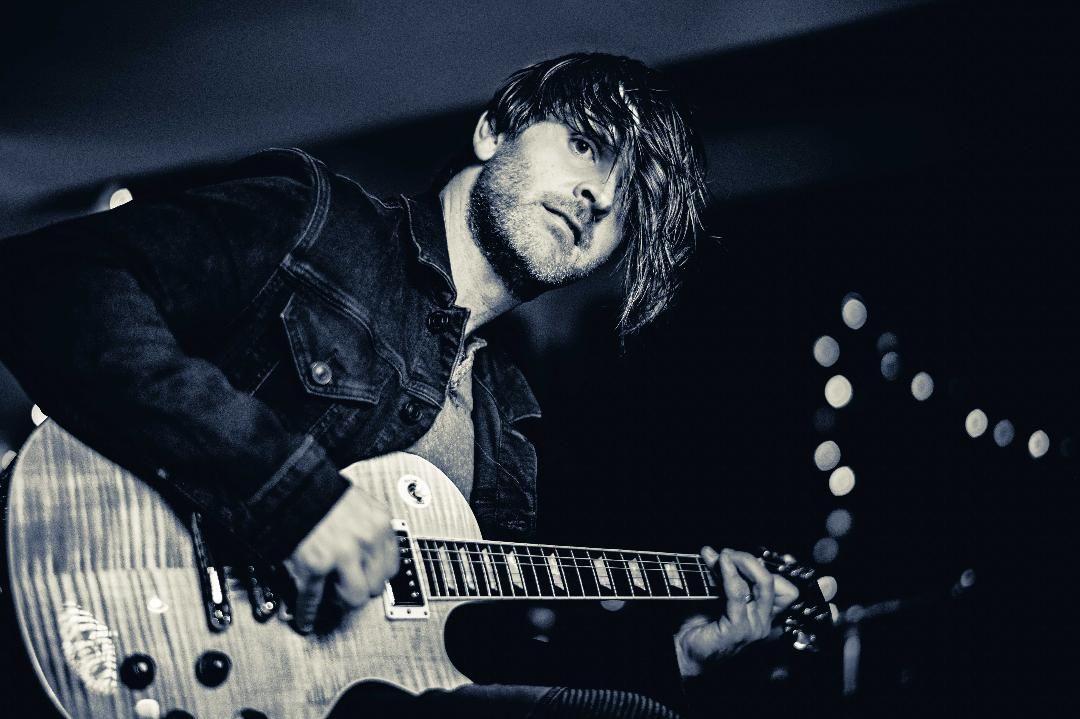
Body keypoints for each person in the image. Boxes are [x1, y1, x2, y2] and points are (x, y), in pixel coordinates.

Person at [0, 53, 805, 717]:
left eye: (628, 205)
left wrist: (677, 657)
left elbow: (463, 665)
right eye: (586, 144)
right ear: (495, 130)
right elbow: (48, 283)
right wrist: (291, 497)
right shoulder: (317, 223)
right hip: (109, 607)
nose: (599, 198)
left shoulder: (511, 425)